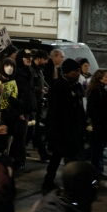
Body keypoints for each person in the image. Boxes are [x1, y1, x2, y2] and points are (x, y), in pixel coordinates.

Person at [43, 58, 87, 194]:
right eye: (76, 71)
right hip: (61, 131)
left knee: (73, 158)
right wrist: (56, 132)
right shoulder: (59, 87)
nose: (79, 73)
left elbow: (80, 107)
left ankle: (73, 184)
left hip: (74, 130)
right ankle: (48, 183)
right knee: (57, 158)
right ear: (69, 72)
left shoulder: (76, 86)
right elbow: (55, 113)